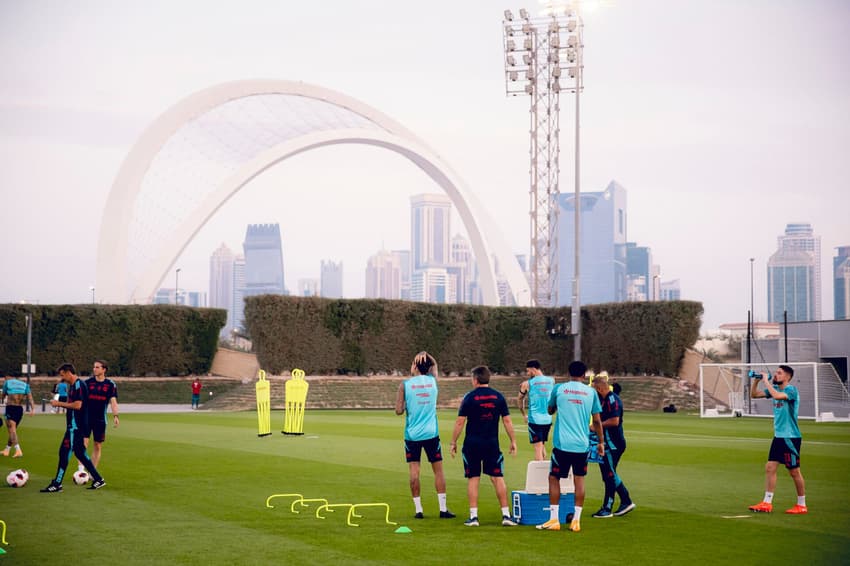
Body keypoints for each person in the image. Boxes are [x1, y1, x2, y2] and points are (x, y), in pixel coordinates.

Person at [537, 360, 604, 533]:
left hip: (562, 444)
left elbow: (550, 410)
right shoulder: (591, 392)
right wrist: (601, 442)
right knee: (579, 480)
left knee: (554, 478)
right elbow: (597, 420)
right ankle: (576, 521)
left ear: (569, 373)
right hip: (582, 444)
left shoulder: (559, 389)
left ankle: (554, 519)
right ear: (584, 375)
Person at [450, 365, 518, 527]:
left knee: (473, 478)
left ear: (475, 380)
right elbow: (507, 420)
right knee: (497, 477)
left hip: (472, 443)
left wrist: (453, 442)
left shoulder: (469, 397)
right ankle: (506, 515)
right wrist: (513, 440)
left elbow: (460, 422)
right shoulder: (498, 397)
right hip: (491, 443)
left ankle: (473, 517)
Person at [394, 351, 454, 520]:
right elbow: (435, 366)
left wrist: (407, 403)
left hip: (412, 435)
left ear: (414, 366)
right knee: (438, 471)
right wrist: (427, 355)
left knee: (414, 472)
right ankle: (443, 509)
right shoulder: (432, 381)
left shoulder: (405, 385)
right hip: (431, 433)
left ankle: (419, 510)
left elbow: (398, 411)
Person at [748, 365, 807, 514]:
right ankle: (767, 503)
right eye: (775, 372)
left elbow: (778, 396)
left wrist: (767, 381)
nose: (776, 375)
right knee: (770, 467)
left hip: (790, 437)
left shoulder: (791, 390)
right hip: (779, 437)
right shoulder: (774, 390)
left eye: (779, 373)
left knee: (794, 472)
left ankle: (801, 505)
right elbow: (754, 395)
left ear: (787, 377)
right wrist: (757, 380)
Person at [41, 363, 106, 492]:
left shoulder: (78, 385)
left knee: (64, 452)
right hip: (75, 426)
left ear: (68, 372)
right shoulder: (73, 386)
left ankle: (57, 483)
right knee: (80, 453)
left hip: (75, 427)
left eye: (62, 375)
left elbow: (78, 405)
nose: (62, 378)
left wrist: (58, 403)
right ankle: (99, 479)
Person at [590, 372, 635, 518]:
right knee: (608, 474)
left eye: (593, 389)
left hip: (613, 444)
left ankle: (616, 504)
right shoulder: (604, 400)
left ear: (600, 389)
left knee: (609, 474)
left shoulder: (612, 399)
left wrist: (597, 427)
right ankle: (617, 503)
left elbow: (615, 421)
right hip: (609, 443)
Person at [80, 360, 120, 469]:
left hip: (100, 419)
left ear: (104, 369)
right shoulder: (87, 383)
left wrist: (116, 416)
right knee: (83, 444)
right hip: (86, 418)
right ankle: (81, 471)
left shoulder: (110, 384)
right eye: (94, 367)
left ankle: (93, 471)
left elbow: (113, 401)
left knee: (97, 445)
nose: (94, 369)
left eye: (97, 367)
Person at [517, 359, 555, 460]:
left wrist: (523, 414)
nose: (527, 373)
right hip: (548, 419)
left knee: (537, 448)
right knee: (541, 446)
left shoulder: (527, 383)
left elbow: (520, 399)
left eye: (528, 371)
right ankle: (545, 471)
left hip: (535, 420)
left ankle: (540, 474)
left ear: (533, 369)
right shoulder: (551, 380)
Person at [2, 372, 36, 458]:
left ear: (7, 377)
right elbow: (30, 398)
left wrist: (2, 399)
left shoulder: (7, 383)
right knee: (13, 431)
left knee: (11, 430)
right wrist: (33, 409)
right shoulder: (25, 385)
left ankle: (18, 450)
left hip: (10, 408)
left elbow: (3, 395)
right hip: (19, 409)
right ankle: (7, 449)